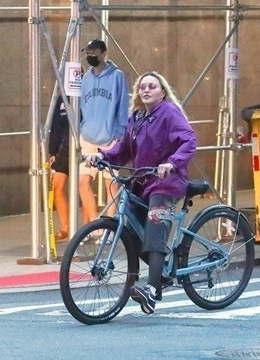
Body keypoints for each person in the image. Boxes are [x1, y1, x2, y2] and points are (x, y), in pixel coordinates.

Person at [85, 71, 197, 314]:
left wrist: (172, 162)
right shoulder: (136, 118)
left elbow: (188, 140)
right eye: (143, 86)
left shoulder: (169, 112)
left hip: (166, 182)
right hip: (142, 181)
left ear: (162, 91)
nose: (146, 90)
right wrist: (101, 156)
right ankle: (162, 272)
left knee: (156, 228)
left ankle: (152, 290)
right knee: (130, 227)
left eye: (152, 86)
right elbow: (122, 149)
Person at [80, 38, 129, 224]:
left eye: (94, 53)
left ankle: (109, 225)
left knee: (111, 184)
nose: (91, 56)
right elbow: (82, 105)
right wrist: (82, 127)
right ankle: (95, 226)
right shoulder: (86, 78)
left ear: (103, 54)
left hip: (109, 137)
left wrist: (119, 133)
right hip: (88, 136)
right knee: (83, 182)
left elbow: (122, 106)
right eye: (88, 53)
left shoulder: (116, 76)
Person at [49, 95, 70, 242]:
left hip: (82, 142)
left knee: (83, 185)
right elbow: (55, 125)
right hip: (63, 147)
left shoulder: (85, 90)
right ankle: (65, 228)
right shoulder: (61, 98)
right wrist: (53, 151)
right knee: (57, 187)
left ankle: (91, 229)